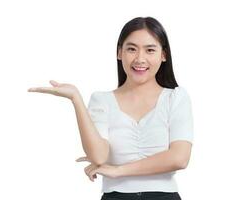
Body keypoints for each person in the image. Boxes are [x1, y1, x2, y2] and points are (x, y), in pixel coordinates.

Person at [28, 16, 193, 200]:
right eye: (131, 49)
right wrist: (76, 99)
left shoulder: (175, 97)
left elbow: (179, 158)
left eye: (150, 50)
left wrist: (118, 171)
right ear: (119, 52)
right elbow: (98, 156)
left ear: (163, 55)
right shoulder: (102, 100)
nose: (140, 59)